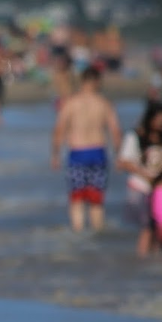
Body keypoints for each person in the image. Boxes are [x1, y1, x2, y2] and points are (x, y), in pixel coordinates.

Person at [50, 66, 121, 232]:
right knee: (96, 200)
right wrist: (119, 156)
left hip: (77, 153)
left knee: (77, 200)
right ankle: (96, 235)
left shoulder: (70, 103)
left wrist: (55, 155)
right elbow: (115, 131)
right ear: (97, 81)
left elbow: (59, 129)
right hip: (98, 153)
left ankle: (79, 235)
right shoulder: (103, 103)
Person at [118, 101, 162, 257]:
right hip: (140, 188)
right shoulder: (134, 136)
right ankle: (143, 259)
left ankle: (154, 262)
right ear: (150, 118)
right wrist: (145, 175)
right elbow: (123, 162)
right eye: (159, 119)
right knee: (147, 227)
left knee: (161, 227)